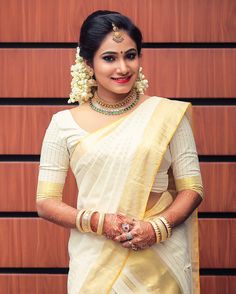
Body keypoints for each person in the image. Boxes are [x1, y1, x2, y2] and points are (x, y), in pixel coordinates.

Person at [36, 10, 203, 294]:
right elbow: (45, 202)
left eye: (131, 55)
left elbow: (193, 188)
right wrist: (102, 222)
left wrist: (157, 228)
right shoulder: (62, 124)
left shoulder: (167, 115)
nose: (123, 68)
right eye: (109, 58)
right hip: (96, 263)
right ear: (87, 63)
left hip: (160, 261)